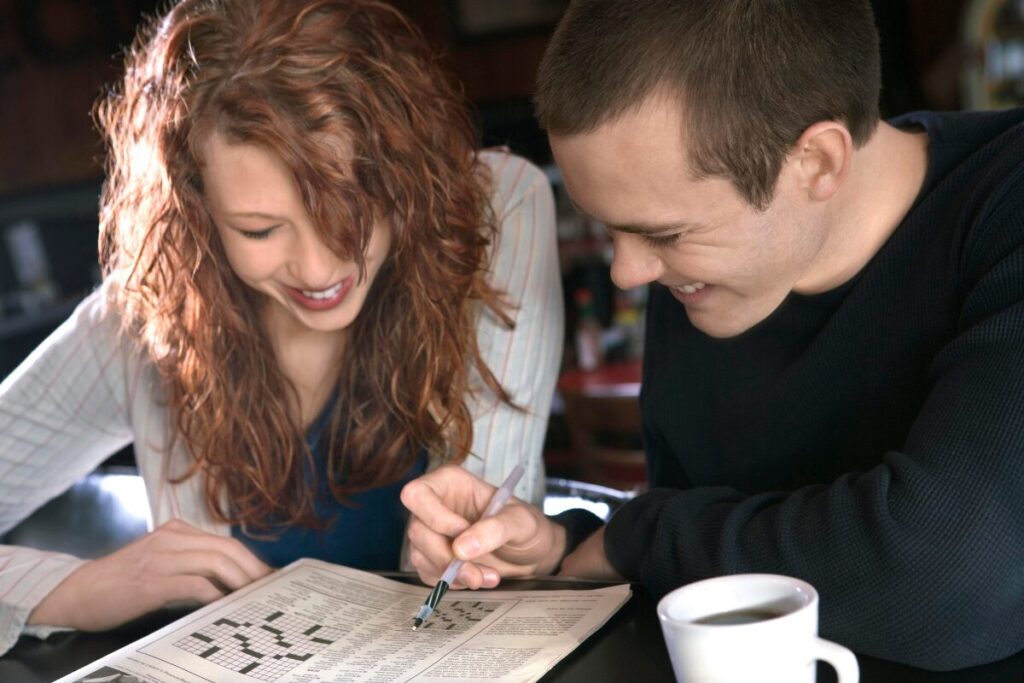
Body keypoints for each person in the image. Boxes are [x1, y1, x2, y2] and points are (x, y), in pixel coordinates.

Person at [401, 0, 1024, 672]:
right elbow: (704, 543)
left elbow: (946, 579)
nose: (629, 270)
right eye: (610, 227)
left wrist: (637, 537)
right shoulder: (708, 268)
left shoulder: (1004, 206)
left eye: (662, 233)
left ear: (816, 161)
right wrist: (562, 546)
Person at [0, 0, 562, 656]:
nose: (321, 266)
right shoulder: (144, 315)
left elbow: (489, 526)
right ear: (197, 209)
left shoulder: (496, 211)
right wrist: (81, 589)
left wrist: (494, 550)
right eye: (260, 229)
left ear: (403, 169)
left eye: (351, 206)